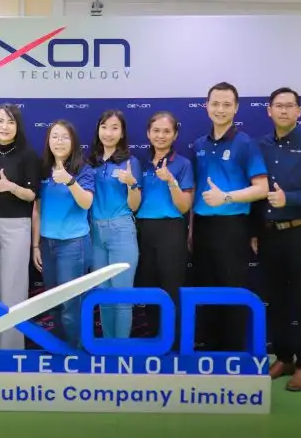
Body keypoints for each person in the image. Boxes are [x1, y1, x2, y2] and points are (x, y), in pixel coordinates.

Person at [251, 88, 301, 392]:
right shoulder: (259, 146)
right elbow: (254, 191)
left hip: (299, 232)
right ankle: (283, 358)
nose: (283, 111)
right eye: (278, 106)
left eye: (289, 106)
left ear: (299, 111)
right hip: (268, 235)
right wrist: (255, 230)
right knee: (275, 300)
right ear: (268, 110)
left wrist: (290, 199)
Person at [191, 81, 268, 352]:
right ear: (206, 106)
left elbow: (262, 188)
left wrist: (226, 197)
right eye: (215, 104)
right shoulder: (199, 144)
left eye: (226, 104)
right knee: (206, 288)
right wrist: (191, 229)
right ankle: (210, 350)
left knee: (232, 289)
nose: (220, 109)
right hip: (203, 227)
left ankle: (233, 353)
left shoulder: (246, 143)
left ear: (236, 108)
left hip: (233, 227)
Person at [0, 103, 40, 350]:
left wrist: (12, 187)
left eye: (10, 122)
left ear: (18, 126)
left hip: (17, 226)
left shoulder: (28, 155)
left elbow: (32, 195)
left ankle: (11, 351)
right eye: (0, 121)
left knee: (14, 289)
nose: (4, 126)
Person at [32, 120, 95, 349]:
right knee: (54, 303)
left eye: (65, 137)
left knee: (71, 306)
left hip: (73, 245)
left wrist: (69, 181)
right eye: (55, 136)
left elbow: (86, 202)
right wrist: (35, 245)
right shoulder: (42, 169)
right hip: (48, 244)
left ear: (73, 142)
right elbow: (37, 210)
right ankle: (61, 353)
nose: (59, 142)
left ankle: (75, 356)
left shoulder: (83, 169)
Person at [135, 111, 194, 348]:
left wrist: (171, 181)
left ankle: (173, 343)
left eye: (167, 131)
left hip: (171, 229)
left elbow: (184, 206)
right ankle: (154, 340)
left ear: (175, 135)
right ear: (148, 134)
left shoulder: (183, 164)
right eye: (156, 131)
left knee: (171, 287)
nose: (161, 135)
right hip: (143, 230)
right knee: (148, 287)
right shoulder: (139, 163)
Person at [85, 110, 142, 339]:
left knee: (122, 295)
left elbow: (134, 205)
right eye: (104, 127)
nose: (108, 133)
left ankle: (122, 351)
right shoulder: (90, 162)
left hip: (121, 230)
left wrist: (131, 184)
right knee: (103, 295)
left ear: (122, 133)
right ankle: (109, 348)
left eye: (114, 128)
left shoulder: (131, 162)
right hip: (95, 232)